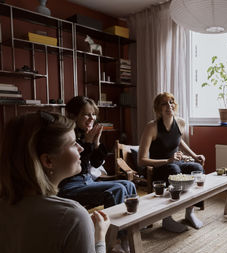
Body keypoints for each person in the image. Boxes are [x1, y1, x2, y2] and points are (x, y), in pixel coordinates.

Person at [0, 111, 110, 253]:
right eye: (73, 143)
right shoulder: (72, 218)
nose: (81, 148)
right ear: (48, 160)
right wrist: (99, 238)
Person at [138, 92, 205, 233]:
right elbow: (142, 160)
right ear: (158, 108)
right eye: (164, 103)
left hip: (175, 163)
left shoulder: (180, 122)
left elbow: (178, 140)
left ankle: (189, 213)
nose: (169, 105)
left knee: (197, 168)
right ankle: (167, 219)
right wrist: (168, 160)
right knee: (174, 171)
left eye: (171, 102)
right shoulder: (151, 127)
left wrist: (194, 155)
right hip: (160, 167)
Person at [58, 96, 136, 209]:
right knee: (117, 189)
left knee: (129, 185)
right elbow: (80, 168)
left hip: (87, 181)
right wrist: (89, 142)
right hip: (69, 186)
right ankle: (115, 226)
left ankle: (132, 221)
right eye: (86, 114)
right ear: (73, 116)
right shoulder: (66, 136)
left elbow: (96, 163)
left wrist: (96, 143)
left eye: (93, 114)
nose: (92, 118)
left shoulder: (85, 134)